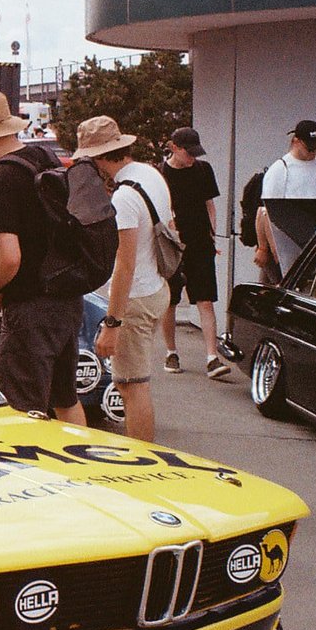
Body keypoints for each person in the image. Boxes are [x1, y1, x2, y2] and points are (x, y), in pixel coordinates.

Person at [0, 89, 85, 425]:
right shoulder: (46, 159)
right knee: (65, 398)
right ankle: (81, 469)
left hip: (30, 306)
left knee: (22, 408)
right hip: (67, 297)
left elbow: (9, 256)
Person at [81, 116, 172, 443]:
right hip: (157, 287)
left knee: (132, 386)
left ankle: (142, 461)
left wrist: (112, 323)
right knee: (133, 383)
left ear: (99, 157)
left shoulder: (124, 197)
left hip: (133, 299)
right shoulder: (150, 174)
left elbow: (125, 265)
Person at [160, 127, 231, 380]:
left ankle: (212, 357)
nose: (192, 158)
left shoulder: (203, 169)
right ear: (174, 148)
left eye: (195, 153)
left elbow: (209, 204)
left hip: (200, 242)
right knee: (170, 300)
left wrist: (213, 234)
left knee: (205, 299)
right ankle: (171, 351)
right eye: (188, 153)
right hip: (174, 244)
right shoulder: (162, 174)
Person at [255, 119, 316, 283]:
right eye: (310, 148)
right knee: (279, 289)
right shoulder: (281, 169)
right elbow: (267, 212)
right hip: (284, 245)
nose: (314, 153)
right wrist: (265, 248)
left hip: (315, 242)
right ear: (296, 141)